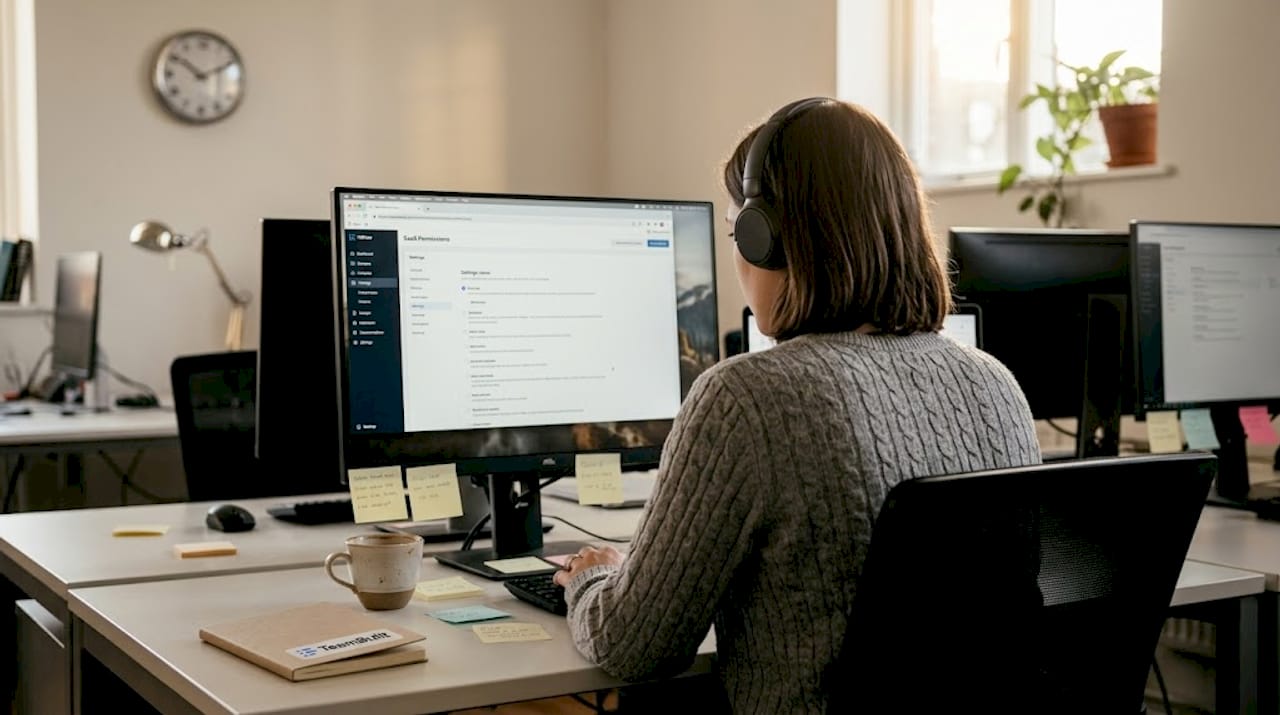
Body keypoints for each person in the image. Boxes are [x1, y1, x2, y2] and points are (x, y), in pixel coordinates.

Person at [553, 97, 1042, 714]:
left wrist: (595, 576)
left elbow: (633, 646)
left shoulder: (744, 397)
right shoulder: (996, 384)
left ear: (767, 240)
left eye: (739, 231)